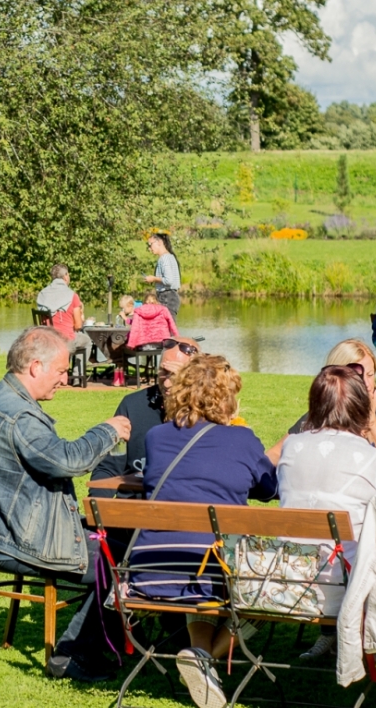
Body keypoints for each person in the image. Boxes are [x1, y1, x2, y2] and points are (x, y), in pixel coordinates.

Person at [0, 326, 132, 682]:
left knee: (122, 545)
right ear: (35, 367)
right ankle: (74, 653)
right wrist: (107, 431)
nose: (66, 379)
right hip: (24, 538)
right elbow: (66, 461)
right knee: (121, 561)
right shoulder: (21, 416)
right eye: (61, 371)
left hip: (9, 526)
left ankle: (106, 641)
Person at [126, 353, 276, 708]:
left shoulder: (157, 436)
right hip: (207, 572)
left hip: (149, 570)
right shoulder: (242, 440)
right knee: (273, 588)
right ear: (227, 397)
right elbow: (270, 490)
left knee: (202, 558)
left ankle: (199, 657)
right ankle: (202, 656)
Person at [275, 364, 376, 662]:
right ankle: (370, 643)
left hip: (285, 583)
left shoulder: (291, 447)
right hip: (344, 591)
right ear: (361, 407)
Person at [269, 338, 376, 467]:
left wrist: (370, 421)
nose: (367, 383)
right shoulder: (327, 409)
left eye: (371, 375)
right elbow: (273, 454)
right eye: (357, 376)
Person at [90, 336, 201, 487]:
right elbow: (110, 466)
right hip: (134, 504)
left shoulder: (208, 414)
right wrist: (98, 505)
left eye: (176, 374)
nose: (167, 383)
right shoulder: (132, 405)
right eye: (163, 371)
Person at [35, 264, 92, 358]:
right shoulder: (72, 295)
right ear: (65, 276)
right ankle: (77, 373)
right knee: (87, 341)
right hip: (65, 339)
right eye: (68, 275)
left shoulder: (42, 294)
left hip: (46, 339)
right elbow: (78, 326)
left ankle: (63, 368)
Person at [143, 232, 181, 319]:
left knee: (166, 328)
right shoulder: (170, 257)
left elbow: (169, 280)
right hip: (169, 296)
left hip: (167, 297)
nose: (149, 248)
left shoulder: (164, 258)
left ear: (159, 242)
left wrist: (153, 279)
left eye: (150, 245)